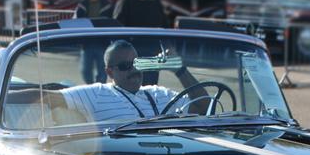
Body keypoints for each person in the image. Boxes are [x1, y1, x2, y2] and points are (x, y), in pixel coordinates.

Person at [25, 40, 208, 123]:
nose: (134, 70)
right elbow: (46, 97)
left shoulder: (159, 94)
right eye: (125, 66)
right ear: (109, 71)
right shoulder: (97, 93)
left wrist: (180, 69)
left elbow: (204, 108)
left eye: (136, 63)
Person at [113, 0, 169, 85]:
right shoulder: (127, 0)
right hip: (131, 59)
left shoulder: (156, 1)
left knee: (150, 92)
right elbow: (116, 29)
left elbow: (164, 28)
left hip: (153, 58)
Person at [75, 0, 112, 84]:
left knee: (102, 72)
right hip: (87, 43)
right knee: (85, 72)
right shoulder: (82, 4)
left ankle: (99, 91)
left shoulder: (107, 4)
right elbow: (78, 23)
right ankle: (90, 88)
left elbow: (111, 22)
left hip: (102, 43)